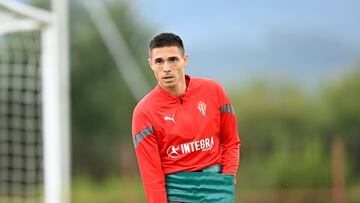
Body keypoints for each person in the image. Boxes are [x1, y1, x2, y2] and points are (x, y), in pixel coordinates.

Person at [132, 32, 240, 203]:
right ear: (151, 64)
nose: (166, 68)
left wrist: (228, 176)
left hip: (216, 188)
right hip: (176, 191)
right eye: (159, 61)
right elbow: (151, 175)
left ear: (185, 60)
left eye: (173, 59)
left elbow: (231, 141)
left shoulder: (213, 91)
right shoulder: (144, 112)